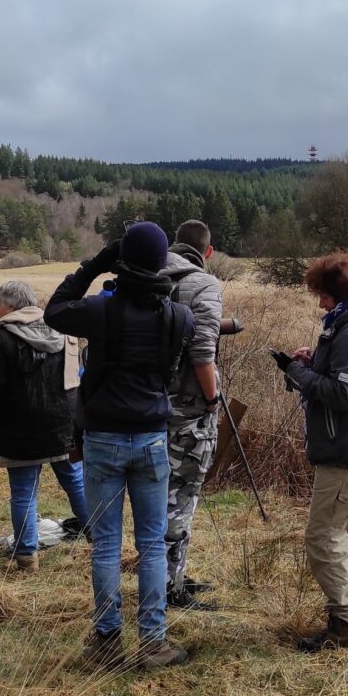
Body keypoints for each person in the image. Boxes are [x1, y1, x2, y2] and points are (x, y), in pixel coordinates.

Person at [45, 221, 194, 671]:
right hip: (152, 438)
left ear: (123, 261)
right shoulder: (178, 317)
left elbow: (54, 310)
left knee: (106, 545)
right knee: (152, 544)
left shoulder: (99, 311)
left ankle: (107, 641)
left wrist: (95, 264)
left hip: (103, 439)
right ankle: (154, 642)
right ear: (163, 263)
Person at [270, 252, 348, 652]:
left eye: (322, 295)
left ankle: (345, 628)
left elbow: (343, 394)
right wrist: (314, 362)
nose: (319, 303)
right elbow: (346, 379)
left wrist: (297, 371)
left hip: (346, 451)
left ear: (338, 295)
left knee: (323, 536)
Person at [0, 281, 90, 572]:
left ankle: (27, 556)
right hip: (63, 426)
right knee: (75, 482)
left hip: (19, 429)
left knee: (24, 492)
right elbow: (74, 379)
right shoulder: (62, 328)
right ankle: (101, 538)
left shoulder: (2, 337)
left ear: (11, 306)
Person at [158, 220, 222, 611]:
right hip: (187, 412)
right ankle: (169, 588)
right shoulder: (204, 286)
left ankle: (172, 575)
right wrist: (213, 399)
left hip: (144, 406)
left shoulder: (146, 276)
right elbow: (202, 354)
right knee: (181, 496)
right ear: (207, 252)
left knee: (160, 497)